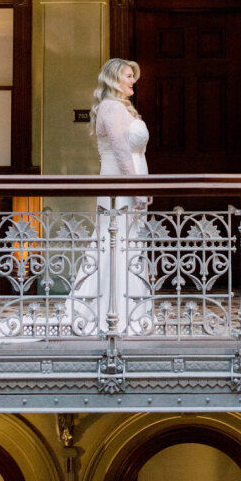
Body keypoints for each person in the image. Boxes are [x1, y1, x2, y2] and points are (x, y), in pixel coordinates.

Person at [59, 58, 152, 335]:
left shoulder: (125, 108)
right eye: (127, 75)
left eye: (133, 75)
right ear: (114, 79)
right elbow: (122, 150)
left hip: (132, 182)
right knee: (116, 241)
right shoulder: (111, 107)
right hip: (120, 183)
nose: (132, 80)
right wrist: (135, 187)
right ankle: (110, 313)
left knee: (129, 243)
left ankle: (129, 308)